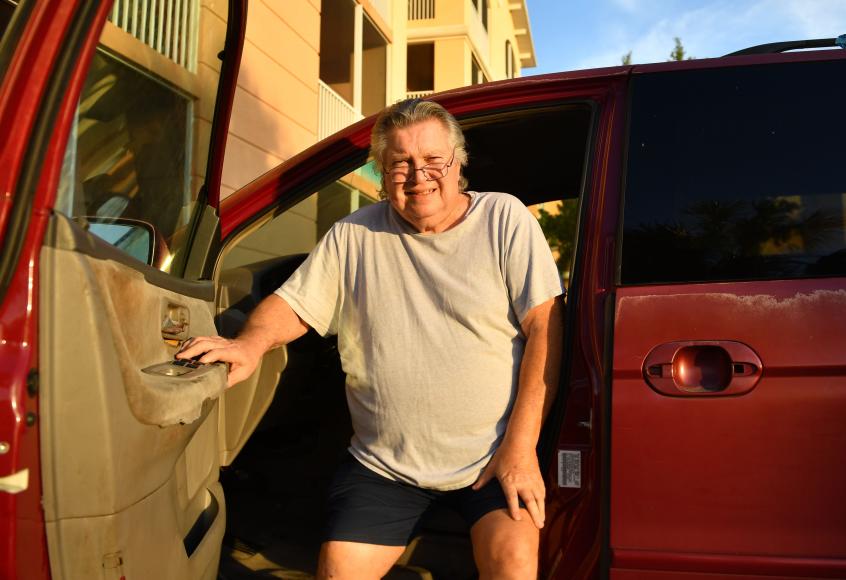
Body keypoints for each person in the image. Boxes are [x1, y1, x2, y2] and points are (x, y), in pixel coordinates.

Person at [177, 99, 564, 579]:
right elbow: (294, 304)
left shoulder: (503, 218)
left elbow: (545, 328)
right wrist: (249, 344)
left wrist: (521, 449)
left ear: (458, 162)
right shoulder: (353, 235)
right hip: (385, 467)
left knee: (515, 564)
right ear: (382, 172)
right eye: (400, 162)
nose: (417, 174)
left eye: (432, 160)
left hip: (493, 457)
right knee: (338, 570)